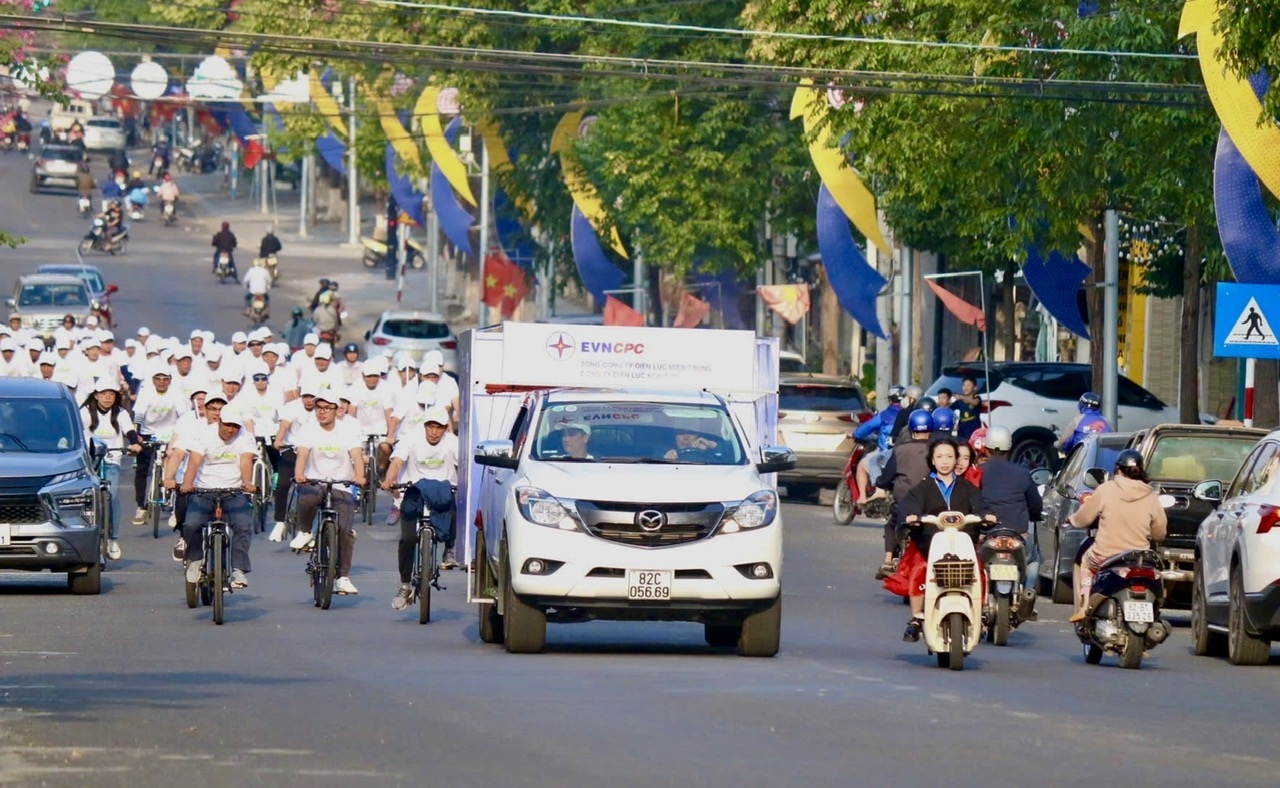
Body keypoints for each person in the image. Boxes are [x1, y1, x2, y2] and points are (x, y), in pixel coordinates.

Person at [899, 438, 990, 641]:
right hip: (930, 545)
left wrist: (986, 515)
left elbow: (981, 506)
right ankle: (916, 618)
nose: (945, 461)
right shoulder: (923, 488)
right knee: (919, 571)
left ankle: (980, 612)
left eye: (950, 456)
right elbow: (908, 507)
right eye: (939, 456)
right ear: (932, 460)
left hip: (962, 545)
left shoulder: (968, 488)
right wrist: (912, 517)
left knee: (979, 573)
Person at [1066, 449, 1167, 622]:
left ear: (1118, 469)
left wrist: (1072, 519)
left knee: (1083, 563)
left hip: (1104, 556)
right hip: (1139, 559)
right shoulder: (1151, 495)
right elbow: (1160, 533)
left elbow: (1083, 518)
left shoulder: (1106, 489)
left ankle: (1084, 607)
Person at [382, 405, 458, 610]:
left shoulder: (453, 442)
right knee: (407, 539)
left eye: (439, 427)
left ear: (445, 428)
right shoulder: (411, 437)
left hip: (442, 493)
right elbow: (397, 462)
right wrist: (390, 479)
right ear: (424, 426)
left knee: (456, 506)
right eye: (430, 426)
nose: (434, 432)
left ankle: (450, 549)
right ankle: (405, 584)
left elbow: (465, 467)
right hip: (414, 493)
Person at [292, 391, 366, 595]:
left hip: (342, 484)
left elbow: (357, 456)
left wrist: (359, 476)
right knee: (307, 497)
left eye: (326, 408)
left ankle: (342, 577)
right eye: (319, 408)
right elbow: (302, 454)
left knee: (345, 530)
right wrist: (299, 474)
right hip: (315, 481)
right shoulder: (309, 429)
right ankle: (305, 531)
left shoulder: (347, 430)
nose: (322, 412)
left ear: (336, 410)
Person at [178, 404, 258, 589]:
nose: (231, 430)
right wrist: (187, 484)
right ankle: (195, 559)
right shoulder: (205, 434)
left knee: (244, 525)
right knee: (192, 524)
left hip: (233, 490)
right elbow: (194, 461)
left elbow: (246, 461)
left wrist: (247, 481)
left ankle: (238, 568)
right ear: (219, 421)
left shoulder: (245, 436)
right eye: (227, 424)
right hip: (204, 490)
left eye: (235, 426)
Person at [976, 425, 1043, 602]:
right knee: (1034, 560)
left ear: (986, 448)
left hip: (986, 535)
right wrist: (1035, 515)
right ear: (1009, 448)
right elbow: (1035, 504)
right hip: (1017, 535)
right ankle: (1027, 594)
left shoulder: (978, 472)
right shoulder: (1023, 472)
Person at [81, 378, 144, 561]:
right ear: (96, 395)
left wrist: (134, 444)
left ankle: (112, 539)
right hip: (90, 460)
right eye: (103, 394)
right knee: (85, 498)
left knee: (113, 496)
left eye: (111, 394)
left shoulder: (121, 412)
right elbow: (76, 431)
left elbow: (130, 431)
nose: (108, 398)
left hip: (112, 458)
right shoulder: (85, 412)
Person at [874, 409, 935, 579]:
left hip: (904, 504)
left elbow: (887, 477)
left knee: (891, 525)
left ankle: (887, 561)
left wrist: (880, 482)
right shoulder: (937, 449)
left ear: (911, 429)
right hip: (930, 504)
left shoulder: (900, 450)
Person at [131, 363, 190, 525]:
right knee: (142, 469)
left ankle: (173, 504)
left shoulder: (176, 393)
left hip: (170, 433)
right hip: (147, 432)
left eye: (165, 379)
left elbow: (183, 415)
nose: (162, 382)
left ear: (170, 380)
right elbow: (138, 414)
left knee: (174, 466)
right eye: (158, 379)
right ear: (153, 380)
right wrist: (136, 435)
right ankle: (141, 507)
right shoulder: (146, 392)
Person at [852, 384, 905, 504]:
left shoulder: (885, 415)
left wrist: (855, 434)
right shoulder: (910, 414)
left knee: (862, 465)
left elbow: (867, 427)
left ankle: (865, 496)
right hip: (905, 454)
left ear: (890, 399)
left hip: (885, 452)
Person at [953, 376, 982, 440]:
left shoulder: (976, 397)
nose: (966, 388)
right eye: (964, 385)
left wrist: (962, 397)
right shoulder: (959, 401)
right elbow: (950, 409)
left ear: (975, 388)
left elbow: (975, 403)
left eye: (968, 385)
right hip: (962, 432)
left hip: (974, 432)